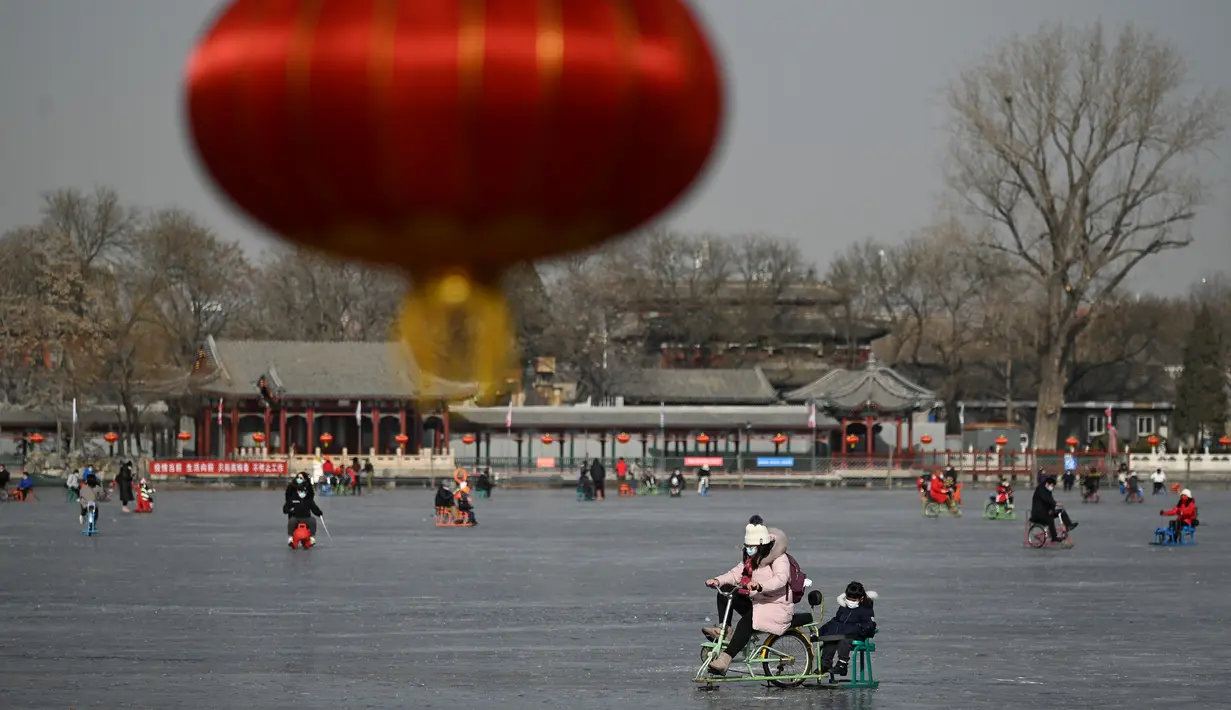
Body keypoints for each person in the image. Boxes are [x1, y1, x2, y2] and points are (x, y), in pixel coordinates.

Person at [702, 518, 792, 675]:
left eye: (752, 547)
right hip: (758, 602)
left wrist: (759, 586)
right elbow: (735, 574)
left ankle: (725, 659)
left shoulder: (779, 558)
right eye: (747, 547)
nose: (749, 550)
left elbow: (781, 579)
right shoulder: (751, 560)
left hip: (776, 606)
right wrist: (718, 580)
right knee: (726, 590)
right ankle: (725, 629)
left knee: (746, 622)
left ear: (761, 546)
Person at [818, 581, 878, 677]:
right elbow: (835, 621)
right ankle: (825, 663)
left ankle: (842, 664)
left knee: (844, 639)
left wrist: (858, 629)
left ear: (861, 598)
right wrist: (821, 631)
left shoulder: (865, 609)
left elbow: (869, 625)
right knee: (831, 638)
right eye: (848, 599)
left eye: (854, 600)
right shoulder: (843, 608)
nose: (850, 602)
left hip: (856, 635)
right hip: (842, 633)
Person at [1030, 475, 1078, 542]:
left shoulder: (1048, 491)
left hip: (1046, 512)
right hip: (1038, 514)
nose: (1052, 487)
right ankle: (1054, 538)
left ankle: (1069, 525)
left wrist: (1052, 509)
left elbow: (1051, 501)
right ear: (1047, 484)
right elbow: (1046, 500)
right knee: (1050, 519)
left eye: (1053, 486)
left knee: (1061, 512)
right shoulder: (1040, 489)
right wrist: (1055, 503)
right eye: (1051, 486)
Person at [283, 472, 324, 546]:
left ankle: (312, 537)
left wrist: (319, 513)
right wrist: (288, 510)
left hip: (306, 517)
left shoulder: (308, 499)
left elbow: (314, 507)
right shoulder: (293, 497)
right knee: (292, 521)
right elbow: (286, 507)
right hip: (295, 517)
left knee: (312, 521)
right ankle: (290, 538)